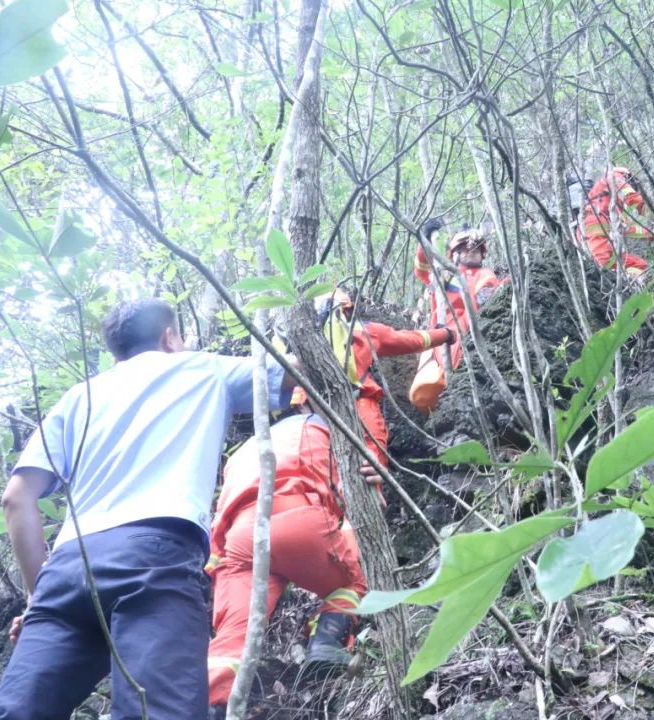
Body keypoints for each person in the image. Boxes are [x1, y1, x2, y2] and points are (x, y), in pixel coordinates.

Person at [0, 298, 295, 720]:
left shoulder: (79, 397)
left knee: (18, 712)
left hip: (66, 568)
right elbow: (299, 376)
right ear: (169, 337)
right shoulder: (202, 369)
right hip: (153, 557)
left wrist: (36, 597)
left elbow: (16, 498)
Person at [205, 401, 366, 719]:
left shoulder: (241, 455)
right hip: (299, 517)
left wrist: (215, 563)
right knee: (352, 580)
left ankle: (210, 705)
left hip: (241, 536)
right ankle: (327, 642)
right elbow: (350, 492)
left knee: (233, 637)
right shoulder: (321, 430)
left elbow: (220, 515)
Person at [313, 289, 453, 483]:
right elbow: (411, 340)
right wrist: (445, 334)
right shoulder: (363, 330)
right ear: (347, 310)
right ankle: (372, 505)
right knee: (372, 463)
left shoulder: (306, 341)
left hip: (312, 412)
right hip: (359, 405)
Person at [409, 221, 506, 412]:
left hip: (473, 336)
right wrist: (425, 240)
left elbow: (488, 300)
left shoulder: (487, 275)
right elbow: (422, 270)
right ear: (456, 252)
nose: (471, 252)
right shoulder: (445, 273)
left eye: (476, 249)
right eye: (465, 248)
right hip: (443, 338)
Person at [579, 166, 654, 280]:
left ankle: (635, 286)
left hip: (600, 233)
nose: (632, 187)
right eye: (632, 184)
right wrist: (649, 210)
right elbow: (631, 196)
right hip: (593, 226)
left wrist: (649, 234)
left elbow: (624, 229)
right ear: (627, 176)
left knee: (640, 265)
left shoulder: (614, 205)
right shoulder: (614, 175)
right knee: (602, 265)